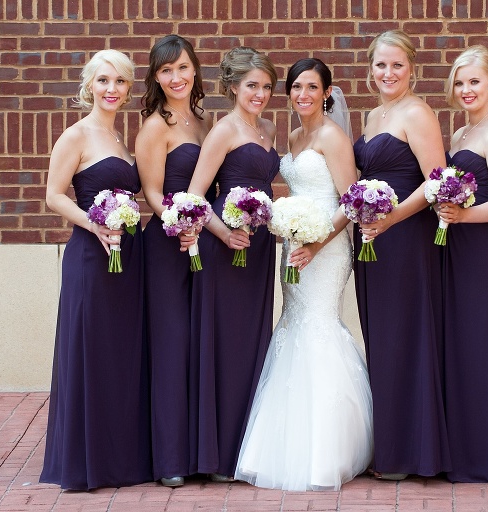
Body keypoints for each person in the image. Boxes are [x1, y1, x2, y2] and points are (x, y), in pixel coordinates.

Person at [234, 58, 373, 491]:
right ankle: (281, 441)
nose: (303, 95)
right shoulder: (292, 136)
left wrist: (315, 244)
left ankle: (328, 450)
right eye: (296, 87)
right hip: (294, 247)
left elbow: (350, 202)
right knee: (292, 325)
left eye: (312, 88)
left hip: (325, 250)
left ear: (326, 93)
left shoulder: (333, 137)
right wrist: (291, 233)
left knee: (319, 325)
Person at [40, 49, 152, 490]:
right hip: (91, 258)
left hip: (128, 262)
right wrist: (96, 223)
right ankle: (88, 462)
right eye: (104, 80)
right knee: (92, 353)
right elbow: (54, 195)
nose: (112, 89)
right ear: (89, 85)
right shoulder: (77, 135)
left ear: (128, 90)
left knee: (122, 357)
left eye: (121, 82)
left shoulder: (123, 142)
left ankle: (121, 458)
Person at [353, 29, 450, 480]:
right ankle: (390, 444)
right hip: (371, 241)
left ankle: (414, 451)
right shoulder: (373, 116)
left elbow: (437, 182)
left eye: (396, 65)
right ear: (370, 69)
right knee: (382, 338)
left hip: (406, 239)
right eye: (380, 65)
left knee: (406, 336)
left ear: (412, 68)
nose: (388, 73)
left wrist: (390, 219)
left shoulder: (417, 112)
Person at [182, 46, 279, 482]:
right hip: (226, 244)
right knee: (223, 340)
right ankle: (215, 454)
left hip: (259, 247)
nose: (259, 94)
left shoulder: (271, 129)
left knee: (251, 341)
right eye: (251, 86)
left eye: (265, 87)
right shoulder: (224, 130)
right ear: (233, 87)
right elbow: (194, 195)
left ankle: (244, 448)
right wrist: (224, 234)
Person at [437, 45, 488, 485]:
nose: (466, 89)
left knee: (485, 346)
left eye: (474, 81)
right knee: (463, 346)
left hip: (486, 252)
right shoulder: (458, 135)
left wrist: (464, 215)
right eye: (460, 82)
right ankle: (465, 449)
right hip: (457, 251)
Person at [136, 35, 212, 488]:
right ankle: (169, 459)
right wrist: (176, 222)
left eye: (183, 68)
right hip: (168, 248)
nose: (177, 78)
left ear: (194, 70)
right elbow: (150, 191)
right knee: (171, 346)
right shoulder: (154, 126)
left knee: (198, 344)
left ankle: (201, 449)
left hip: (206, 245)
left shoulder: (204, 121)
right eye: (166, 71)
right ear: (156, 77)